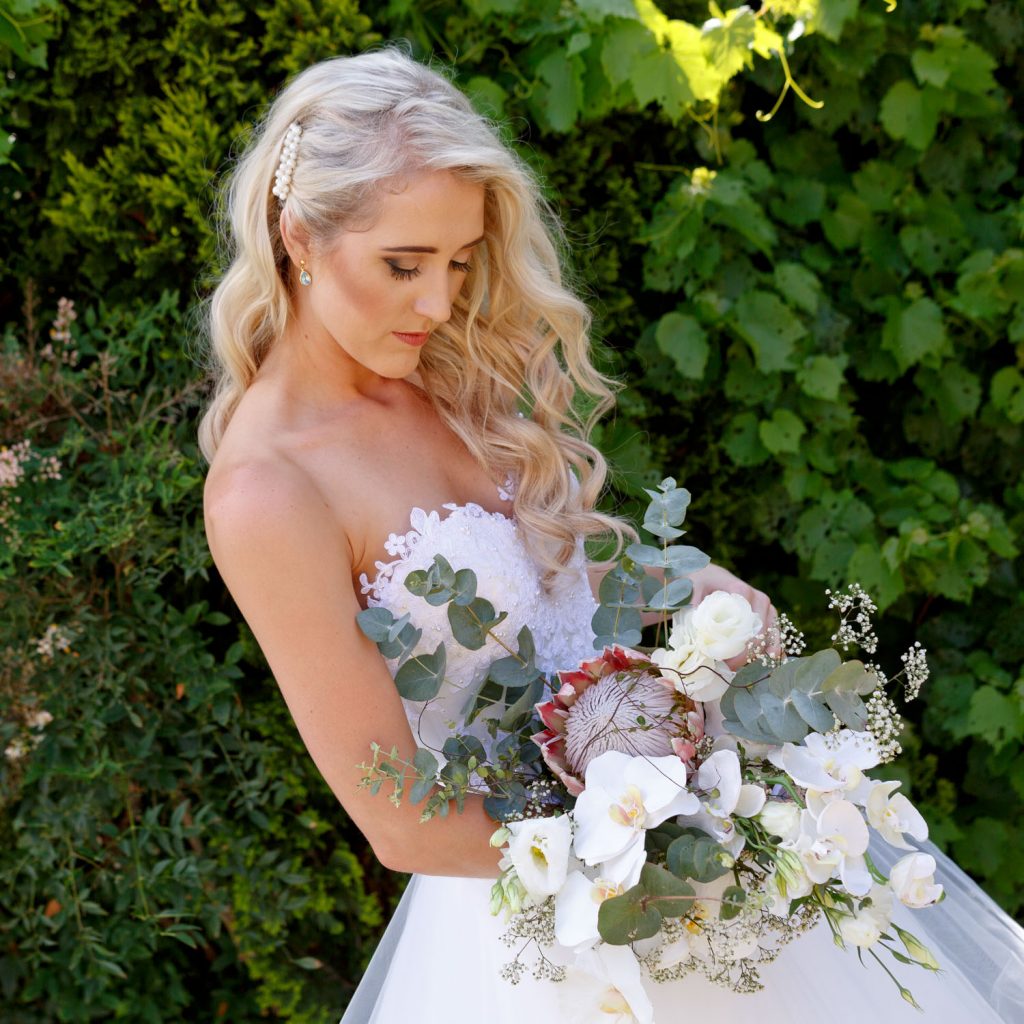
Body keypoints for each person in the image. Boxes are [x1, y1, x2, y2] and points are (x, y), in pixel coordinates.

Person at [200, 47, 1023, 1024]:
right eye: (403, 264)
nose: (439, 302)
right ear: (298, 234)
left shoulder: (442, 369)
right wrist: (666, 861)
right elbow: (401, 818)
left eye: (459, 262)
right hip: (566, 935)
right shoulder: (267, 490)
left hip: (699, 847)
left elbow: (559, 566)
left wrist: (697, 591)